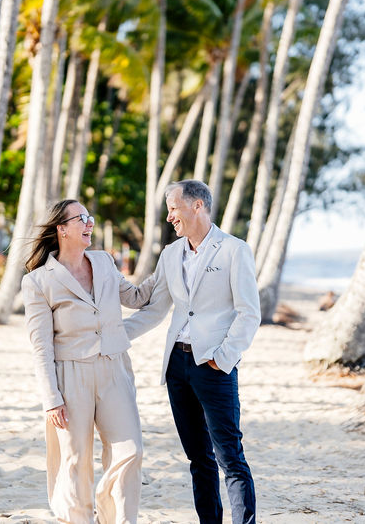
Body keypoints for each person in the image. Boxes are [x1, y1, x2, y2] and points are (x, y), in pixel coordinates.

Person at [124, 179, 260, 524]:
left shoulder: (234, 250)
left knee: (230, 457)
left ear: (197, 205)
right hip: (177, 366)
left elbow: (249, 313)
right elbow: (153, 309)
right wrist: (112, 336)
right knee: (198, 459)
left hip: (213, 365)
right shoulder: (171, 254)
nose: (170, 216)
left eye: (174, 208)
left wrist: (223, 358)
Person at [21, 199, 151, 524]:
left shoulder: (104, 262)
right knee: (75, 461)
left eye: (89, 217)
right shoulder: (37, 281)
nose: (90, 223)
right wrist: (51, 399)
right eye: (82, 218)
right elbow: (41, 347)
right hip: (70, 376)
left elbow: (136, 298)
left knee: (130, 450)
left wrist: (170, 271)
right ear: (62, 229)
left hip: (114, 369)